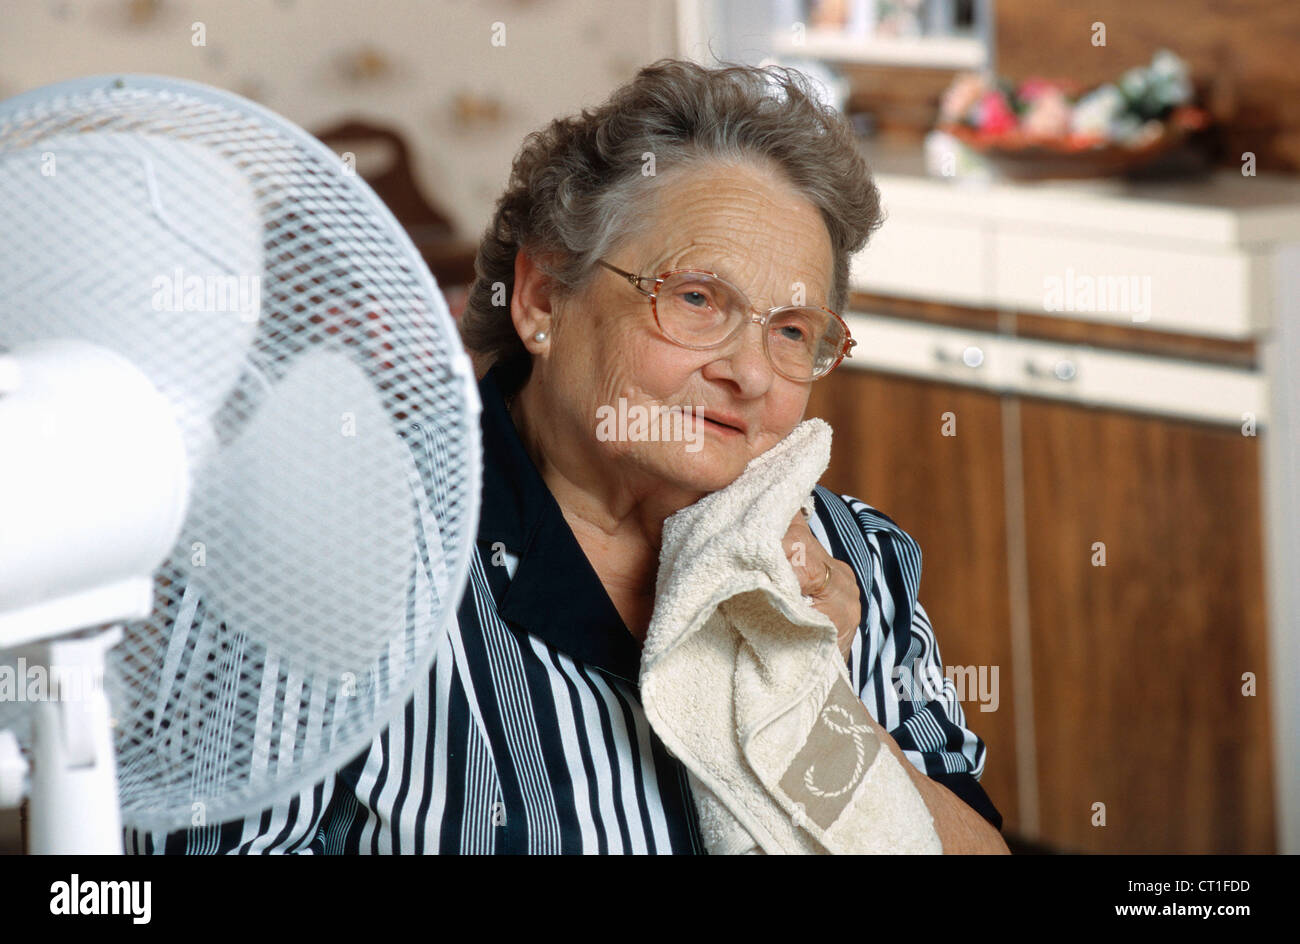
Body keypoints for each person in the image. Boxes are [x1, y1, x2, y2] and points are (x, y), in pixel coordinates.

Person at [129, 58, 1005, 854]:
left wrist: (811, 696)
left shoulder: (851, 564)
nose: (747, 371)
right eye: (698, 298)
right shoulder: (326, 560)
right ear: (543, 299)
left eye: (792, 331)